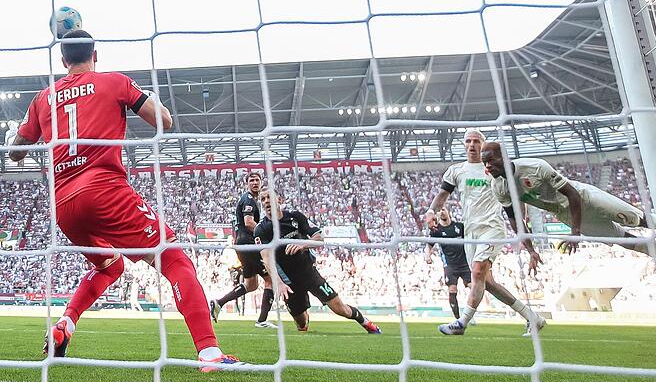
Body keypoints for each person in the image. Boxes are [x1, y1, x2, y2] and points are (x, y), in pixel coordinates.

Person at [7, 30, 241, 372]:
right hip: (105, 190)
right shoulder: (114, 82)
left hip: (65, 206)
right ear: (95, 56)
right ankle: (210, 353)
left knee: (110, 266)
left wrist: (30, 128)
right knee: (175, 260)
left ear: (62, 60)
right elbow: (164, 120)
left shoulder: (43, 98)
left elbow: (15, 152)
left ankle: (65, 325)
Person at [479, 141, 656, 268]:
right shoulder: (498, 187)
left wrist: (574, 234)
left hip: (585, 199)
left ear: (504, 156)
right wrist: (531, 251)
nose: (488, 166)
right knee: (630, 243)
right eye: (484, 163)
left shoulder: (535, 167)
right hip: (565, 214)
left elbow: (572, 195)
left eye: (491, 160)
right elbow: (517, 223)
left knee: (648, 222)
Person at [424, 129, 546, 337]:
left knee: (478, 272)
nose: (472, 145)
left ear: (483, 144)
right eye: (468, 141)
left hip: (492, 228)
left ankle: (462, 322)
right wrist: (430, 211)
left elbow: (514, 208)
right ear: (464, 145)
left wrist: (529, 247)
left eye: (476, 141)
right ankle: (533, 318)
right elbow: (442, 195)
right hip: (470, 233)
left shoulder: (494, 170)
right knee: (487, 282)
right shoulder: (456, 171)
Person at [256, 184, 382, 334]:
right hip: (288, 281)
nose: (265, 201)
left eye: (269, 197)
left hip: (308, 273)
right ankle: (304, 319)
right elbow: (266, 258)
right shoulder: (261, 229)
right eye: (262, 199)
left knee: (339, 308)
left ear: (279, 199)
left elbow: (319, 238)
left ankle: (366, 323)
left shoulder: (295, 217)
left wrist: (302, 245)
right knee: (301, 323)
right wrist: (280, 283)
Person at [209, 172, 276, 328]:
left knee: (251, 284)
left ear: (261, 182)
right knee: (271, 279)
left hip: (242, 245)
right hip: (249, 244)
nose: (254, 183)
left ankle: (218, 303)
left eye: (257, 180)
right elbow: (249, 222)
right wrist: (266, 235)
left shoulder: (252, 200)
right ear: (247, 183)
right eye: (251, 180)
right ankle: (262, 320)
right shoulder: (249, 199)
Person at [424, 207, 472, 321]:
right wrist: (427, 255)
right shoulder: (437, 231)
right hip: (450, 265)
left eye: (444, 209)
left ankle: (468, 314)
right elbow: (429, 245)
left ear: (449, 212)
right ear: (437, 215)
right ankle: (458, 318)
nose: (442, 212)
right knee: (452, 289)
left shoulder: (460, 226)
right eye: (440, 210)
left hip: (465, 263)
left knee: (473, 287)